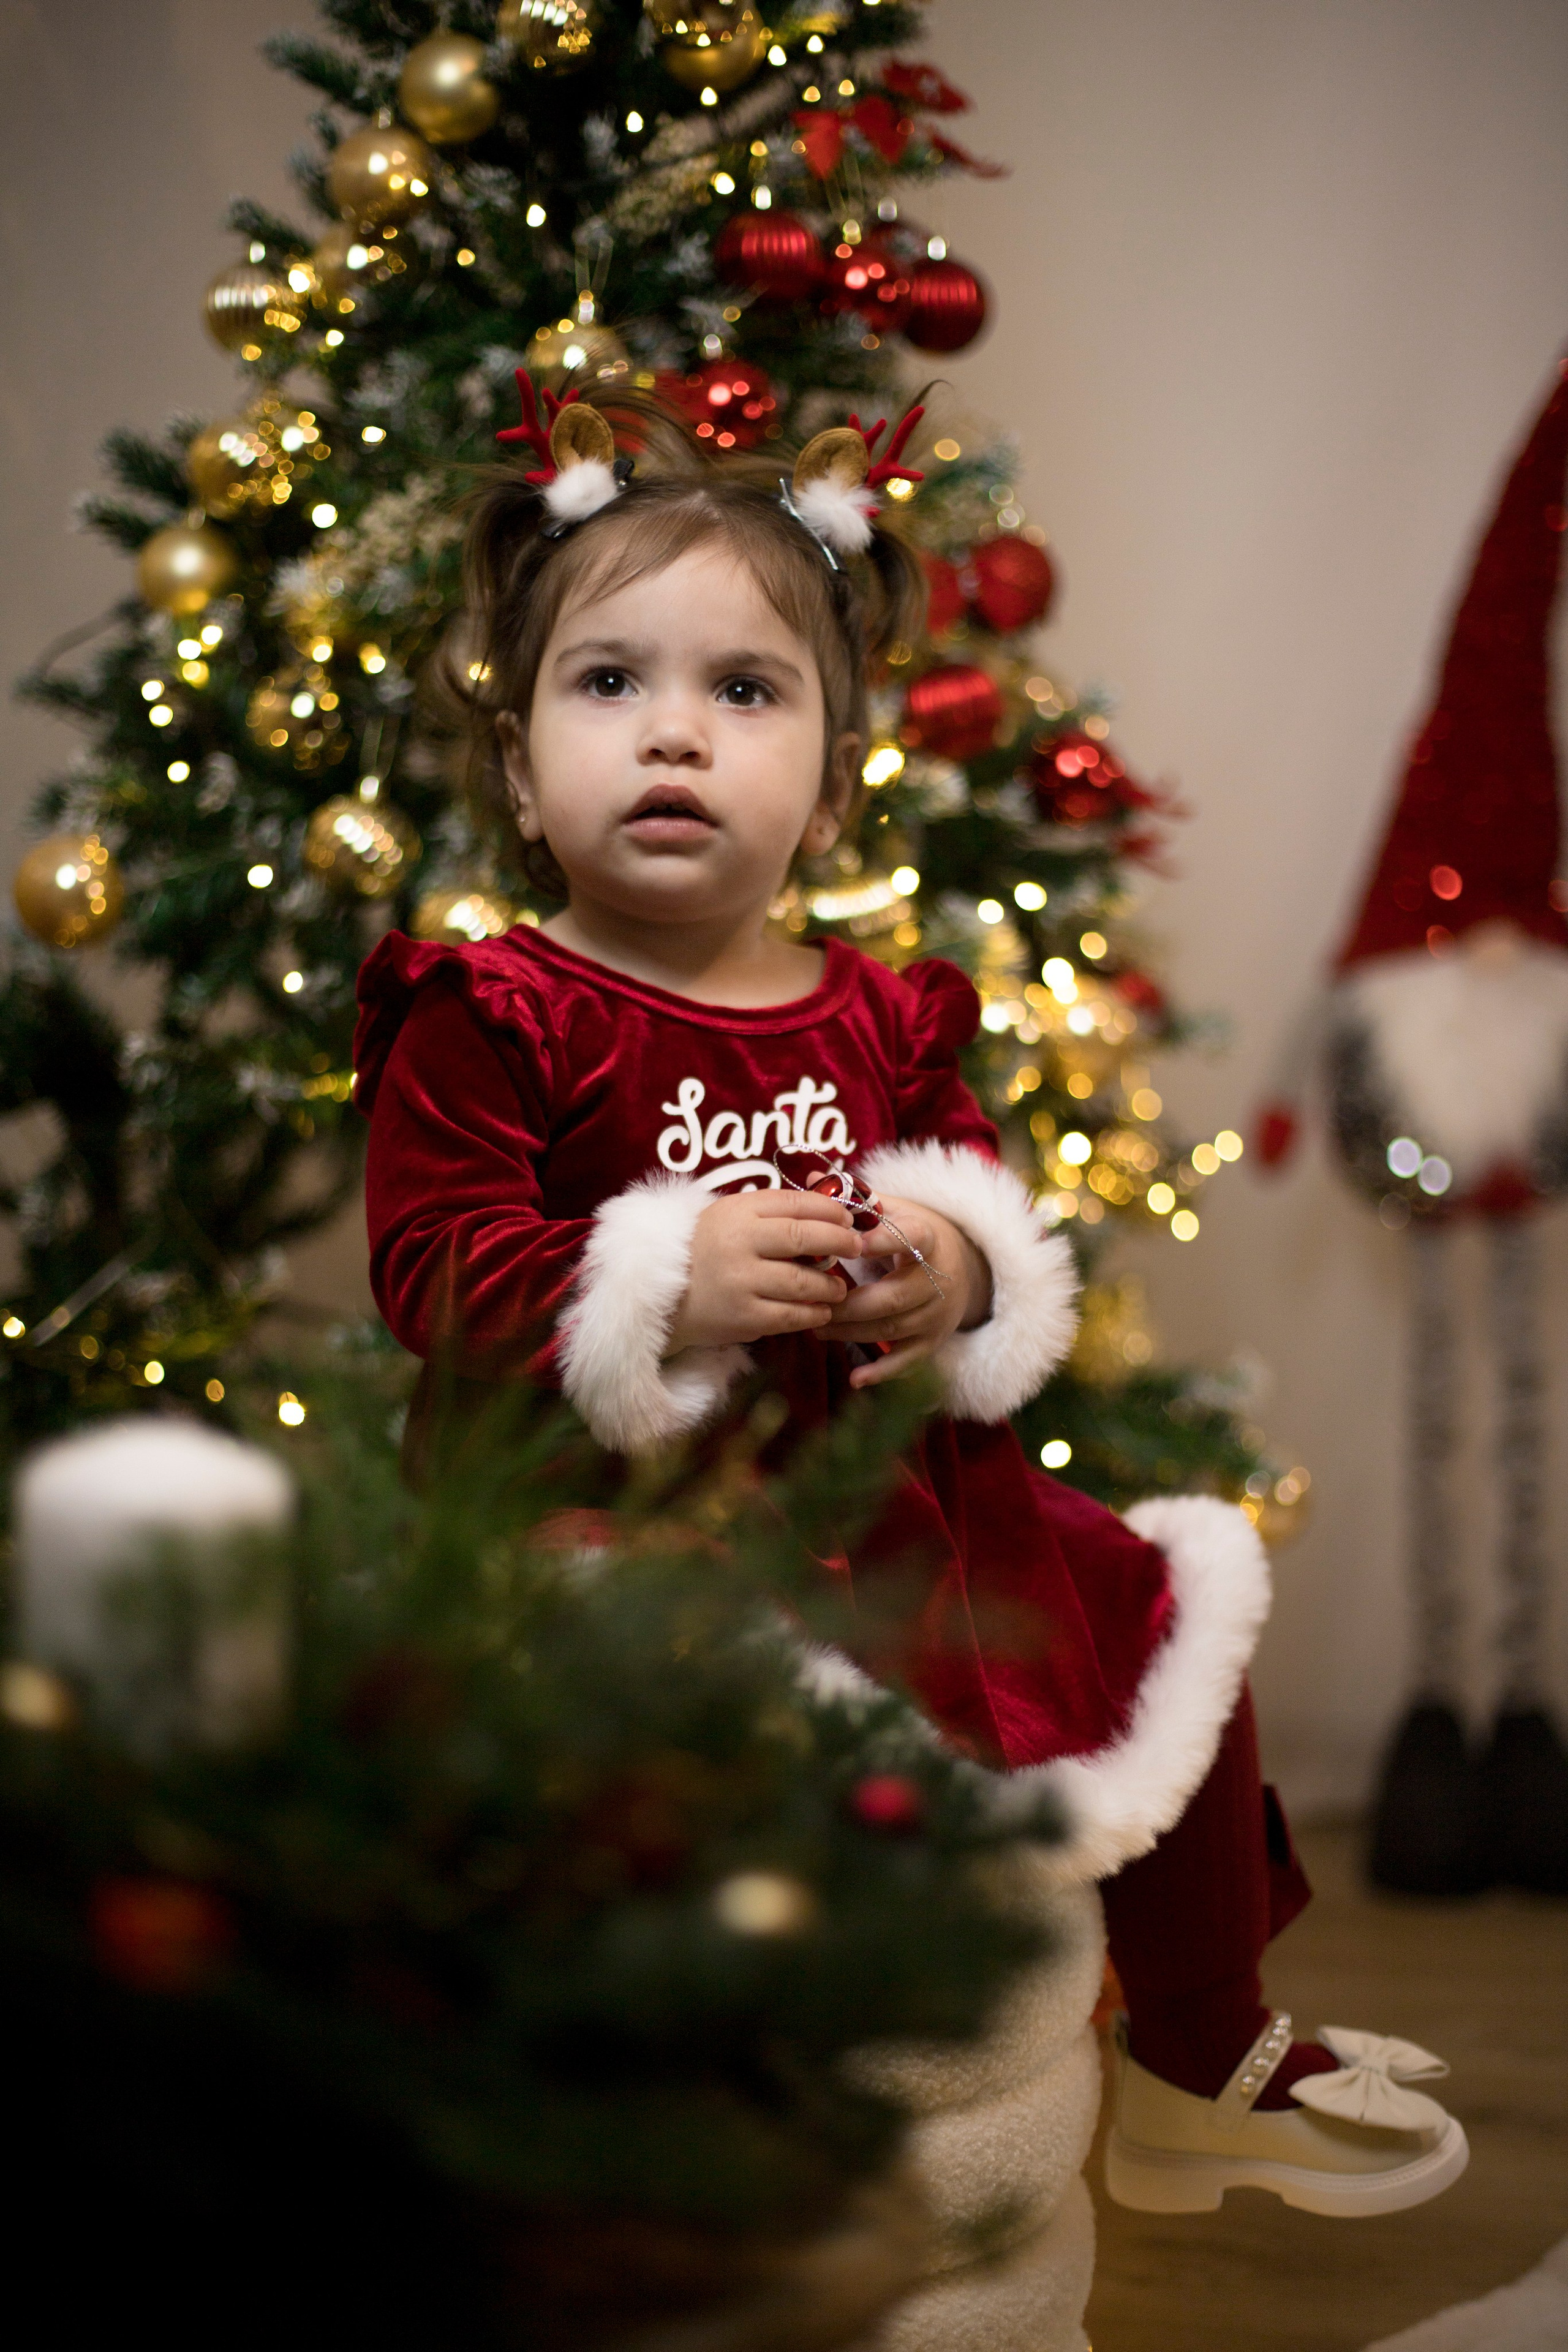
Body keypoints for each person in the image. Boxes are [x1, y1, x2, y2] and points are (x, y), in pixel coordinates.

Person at [353, 375, 1466, 2217]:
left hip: (875, 1500)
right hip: (605, 1503)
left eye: (745, 691)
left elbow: (974, 1197)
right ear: (525, 768)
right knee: (656, 1666)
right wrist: (662, 1275)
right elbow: (432, 1263)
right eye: (608, 683)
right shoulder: (497, 1012)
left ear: (831, 783)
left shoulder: (881, 1015)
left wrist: (953, 1267)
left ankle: (1201, 2044)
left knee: (1163, 1585)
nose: (674, 734)